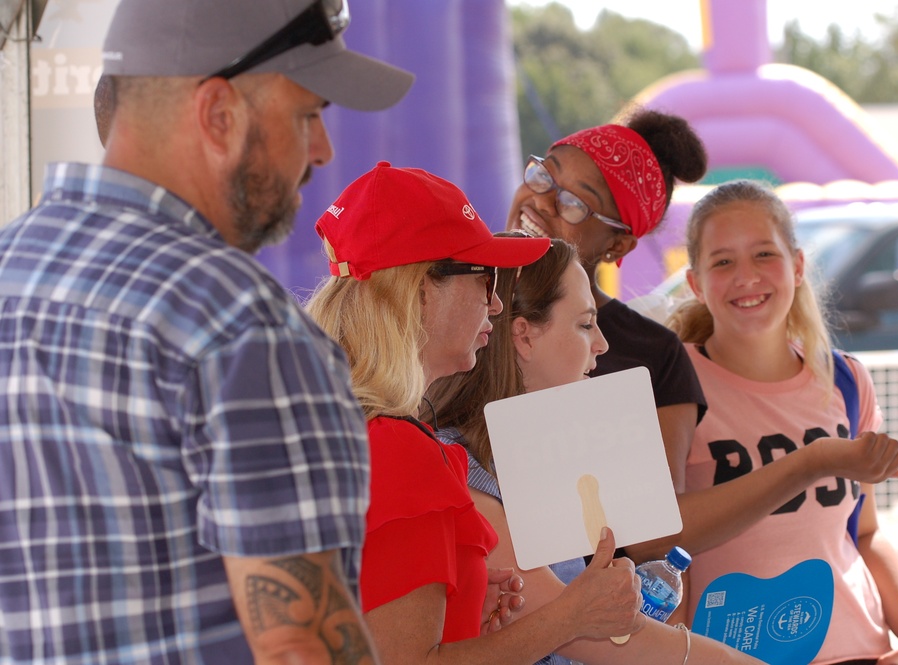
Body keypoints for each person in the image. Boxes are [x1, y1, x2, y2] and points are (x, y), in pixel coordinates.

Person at [0, 0, 414, 663]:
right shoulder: (242, 324)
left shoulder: (11, 269)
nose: (322, 150)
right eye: (308, 115)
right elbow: (300, 645)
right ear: (220, 115)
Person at [305, 162, 648, 664]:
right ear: (421, 291)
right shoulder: (395, 445)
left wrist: (464, 607)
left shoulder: (342, 424)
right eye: (483, 277)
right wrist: (572, 615)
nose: (494, 304)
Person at [424, 237, 767, 665]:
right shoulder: (466, 473)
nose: (602, 344)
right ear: (524, 337)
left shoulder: (525, 466)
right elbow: (590, 635)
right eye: (586, 324)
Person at [667, 179, 898, 664]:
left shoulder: (845, 380)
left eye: (764, 255)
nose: (746, 276)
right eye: (723, 261)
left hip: (858, 652)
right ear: (695, 283)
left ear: (796, 267)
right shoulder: (672, 388)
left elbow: (865, 534)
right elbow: (667, 541)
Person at [506, 108, 710, 564]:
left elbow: (652, 542)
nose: (541, 201)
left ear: (618, 245)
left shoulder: (653, 355)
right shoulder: (454, 302)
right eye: (543, 176)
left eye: (575, 203)